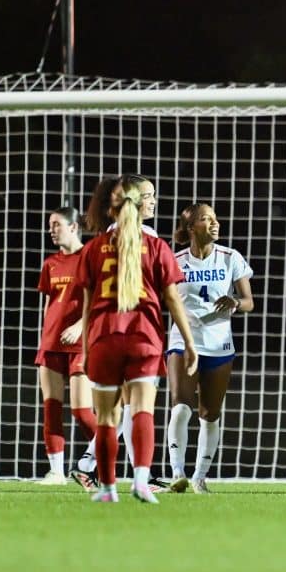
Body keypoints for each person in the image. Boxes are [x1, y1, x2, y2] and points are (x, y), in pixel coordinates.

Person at [76, 175, 198, 503]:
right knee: (142, 410)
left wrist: (85, 349)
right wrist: (188, 342)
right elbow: (172, 299)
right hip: (144, 337)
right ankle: (142, 482)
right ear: (135, 204)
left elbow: (87, 305)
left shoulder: (93, 248)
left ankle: (106, 488)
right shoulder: (155, 245)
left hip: (103, 337)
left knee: (106, 417)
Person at [165, 203, 254, 495]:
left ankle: (200, 477)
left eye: (216, 218)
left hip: (219, 344)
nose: (215, 223)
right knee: (180, 407)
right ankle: (177, 474)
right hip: (183, 342)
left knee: (210, 413)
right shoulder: (175, 260)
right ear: (191, 228)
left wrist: (236, 303)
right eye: (206, 219)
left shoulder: (231, 258)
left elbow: (249, 302)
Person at [85, 173, 165, 489]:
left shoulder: (105, 239)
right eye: (147, 195)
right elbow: (164, 291)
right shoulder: (142, 236)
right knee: (132, 407)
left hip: (107, 333)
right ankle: (135, 476)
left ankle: (118, 472)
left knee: (122, 409)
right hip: (134, 332)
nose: (152, 200)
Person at [34, 206, 97, 487]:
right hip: (51, 344)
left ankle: (102, 458)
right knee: (51, 407)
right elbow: (50, 303)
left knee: (82, 411)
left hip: (82, 343)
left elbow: (98, 300)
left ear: (74, 227)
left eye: (56, 224)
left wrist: (80, 326)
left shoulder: (91, 257)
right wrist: (44, 336)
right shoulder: (51, 263)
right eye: (50, 225)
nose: (51, 230)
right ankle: (56, 473)